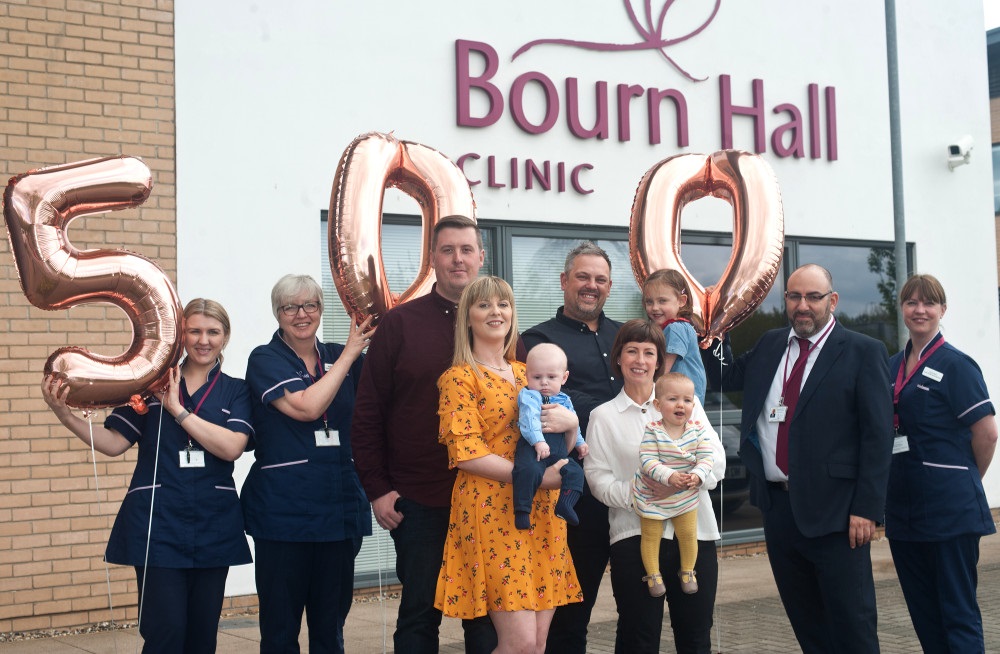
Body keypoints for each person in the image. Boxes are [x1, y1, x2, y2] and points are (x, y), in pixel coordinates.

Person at [41, 298, 254, 654]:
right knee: (165, 633)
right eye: (194, 331)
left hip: (214, 523)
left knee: (203, 638)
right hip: (159, 524)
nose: (204, 340)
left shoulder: (236, 389)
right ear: (181, 335)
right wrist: (64, 414)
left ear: (225, 336)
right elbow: (113, 443)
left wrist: (178, 411)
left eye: (213, 332)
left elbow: (232, 447)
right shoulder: (149, 383)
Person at [352, 215, 515, 653]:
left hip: (489, 498)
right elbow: (368, 411)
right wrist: (378, 488)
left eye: (466, 250)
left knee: (487, 621)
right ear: (433, 259)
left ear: (482, 256)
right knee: (420, 617)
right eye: (448, 250)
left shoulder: (501, 327)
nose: (458, 259)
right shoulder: (401, 324)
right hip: (422, 500)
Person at [718, 263, 893, 653]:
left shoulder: (864, 352)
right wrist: (713, 322)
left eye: (813, 297)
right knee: (808, 626)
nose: (803, 305)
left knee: (852, 628)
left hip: (839, 516)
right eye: (795, 296)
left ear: (832, 301)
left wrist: (867, 508)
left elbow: (878, 436)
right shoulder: (769, 344)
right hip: (779, 511)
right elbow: (724, 376)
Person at [435, 276, 582, 653]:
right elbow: (466, 453)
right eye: (484, 305)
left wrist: (573, 426)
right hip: (492, 511)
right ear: (467, 317)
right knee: (517, 643)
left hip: (542, 512)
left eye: (503, 304)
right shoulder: (459, 378)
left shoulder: (526, 372)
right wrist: (535, 480)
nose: (495, 312)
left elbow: (560, 438)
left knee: (537, 644)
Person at [241, 274, 374, 653]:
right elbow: (307, 407)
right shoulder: (265, 359)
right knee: (281, 630)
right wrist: (351, 354)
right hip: (283, 517)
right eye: (290, 307)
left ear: (321, 309)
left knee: (330, 628)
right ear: (277, 313)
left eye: (310, 305)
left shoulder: (338, 353)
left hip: (338, 512)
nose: (301, 314)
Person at [585, 319, 724, 653]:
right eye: (632, 351)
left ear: (660, 361)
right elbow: (598, 480)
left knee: (695, 637)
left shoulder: (688, 406)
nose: (640, 360)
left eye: (649, 352)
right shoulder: (604, 416)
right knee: (638, 638)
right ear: (618, 357)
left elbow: (716, 461)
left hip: (695, 535)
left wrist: (689, 482)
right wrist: (642, 495)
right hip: (635, 538)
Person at [885, 273, 997, 653]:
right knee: (924, 613)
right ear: (902, 309)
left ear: (942, 310)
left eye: (929, 303)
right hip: (904, 511)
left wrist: (965, 479)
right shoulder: (891, 366)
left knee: (957, 613)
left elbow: (987, 434)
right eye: (912, 302)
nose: (920, 310)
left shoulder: (957, 365)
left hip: (949, 511)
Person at [522, 241, 622, 654]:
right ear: (564, 281)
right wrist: (603, 413)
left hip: (632, 488)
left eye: (599, 279)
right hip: (575, 499)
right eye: (582, 276)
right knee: (570, 614)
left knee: (637, 608)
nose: (590, 286)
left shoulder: (624, 336)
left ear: (609, 286)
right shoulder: (537, 341)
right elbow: (538, 405)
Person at [633, 372, 715, 597]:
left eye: (687, 400)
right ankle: (652, 574)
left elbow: (707, 457)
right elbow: (647, 460)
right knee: (650, 535)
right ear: (658, 405)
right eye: (673, 399)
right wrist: (668, 476)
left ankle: (688, 571)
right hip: (653, 494)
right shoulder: (653, 430)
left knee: (688, 534)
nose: (681, 405)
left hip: (685, 494)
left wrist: (697, 475)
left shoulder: (697, 429)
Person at [513, 342, 588, 530]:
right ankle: (522, 510)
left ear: (564, 378)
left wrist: (580, 442)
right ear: (527, 376)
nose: (544, 382)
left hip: (558, 450)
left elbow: (573, 422)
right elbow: (528, 420)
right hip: (533, 448)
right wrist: (537, 441)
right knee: (527, 470)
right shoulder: (529, 396)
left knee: (576, 472)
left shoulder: (564, 399)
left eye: (551, 377)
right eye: (537, 377)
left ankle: (565, 504)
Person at [642, 268, 707, 403]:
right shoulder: (676, 327)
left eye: (662, 301)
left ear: (682, 301)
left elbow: (662, 371)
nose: (654, 307)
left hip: (681, 402)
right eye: (649, 302)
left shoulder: (675, 328)